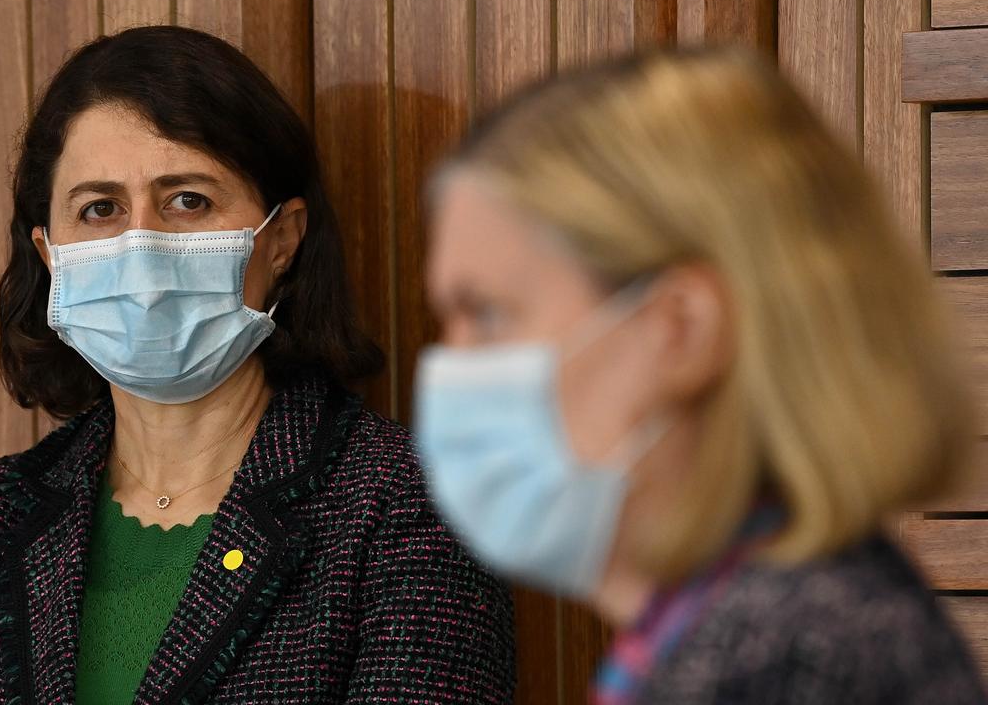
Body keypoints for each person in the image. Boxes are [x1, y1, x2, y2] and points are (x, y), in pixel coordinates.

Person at [0, 26, 514, 705]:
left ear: (282, 240)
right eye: (100, 209)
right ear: (50, 254)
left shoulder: (409, 508)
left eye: (187, 200)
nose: (140, 246)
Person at [416, 48, 987, 704]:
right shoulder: (772, 625)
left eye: (486, 315)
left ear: (680, 327)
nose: (449, 368)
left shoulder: (788, 664)